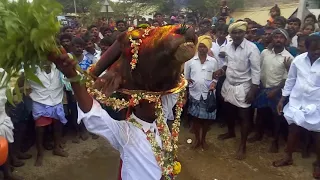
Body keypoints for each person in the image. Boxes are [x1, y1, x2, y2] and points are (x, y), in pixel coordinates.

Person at [273, 34, 320, 179]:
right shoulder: (298, 60)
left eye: (319, 49)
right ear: (306, 48)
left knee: (317, 135)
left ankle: (318, 163)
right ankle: (288, 156)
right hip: (297, 101)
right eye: (313, 50)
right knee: (293, 130)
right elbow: (291, 80)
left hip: (316, 104)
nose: (317, 52)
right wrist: (282, 99)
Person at [214, 21, 260, 160]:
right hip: (229, 83)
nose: (237, 34)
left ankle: (243, 145)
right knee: (228, 110)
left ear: (244, 33)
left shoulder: (252, 49)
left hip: (243, 85)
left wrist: (253, 89)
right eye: (234, 32)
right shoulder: (228, 47)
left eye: (240, 32)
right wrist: (222, 70)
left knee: (244, 116)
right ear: (231, 34)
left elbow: (256, 71)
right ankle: (230, 132)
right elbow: (228, 63)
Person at [249, 29, 293, 153]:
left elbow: (287, 77)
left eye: (281, 37)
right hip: (263, 87)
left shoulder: (289, 57)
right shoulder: (264, 53)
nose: (278, 39)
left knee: (277, 117)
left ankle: (275, 141)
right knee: (261, 113)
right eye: (276, 37)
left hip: (277, 91)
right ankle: (258, 134)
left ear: (286, 40)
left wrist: (276, 90)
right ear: (272, 39)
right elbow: (260, 69)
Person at [29, 61, 68, 166]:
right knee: (40, 130)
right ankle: (40, 154)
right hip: (40, 102)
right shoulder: (32, 68)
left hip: (56, 100)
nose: (46, 61)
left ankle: (57, 148)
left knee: (57, 126)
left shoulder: (58, 67)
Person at [184, 36, 219, 150]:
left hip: (207, 95)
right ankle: (197, 139)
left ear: (208, 48)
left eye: (205, 47)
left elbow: (216, 77)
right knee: (196, 119)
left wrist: (214, 83)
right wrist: (188, 82)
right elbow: (185, 77)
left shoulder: (213, 61)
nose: (202, 49)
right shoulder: (190, 61)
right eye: (200, 46)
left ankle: (203, 139)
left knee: (206, 121)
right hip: (195, 94)